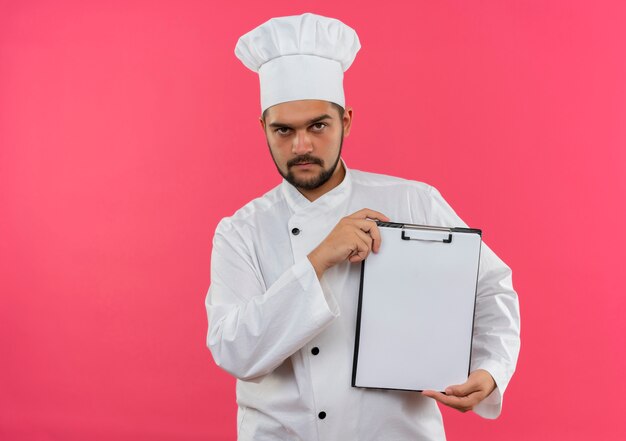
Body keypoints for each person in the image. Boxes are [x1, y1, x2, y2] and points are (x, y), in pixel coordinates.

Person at [205, 12, 520, 441]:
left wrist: (491, 368)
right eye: (284, 130)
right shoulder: (240, 232)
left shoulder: (412, 201)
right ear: (263, 128)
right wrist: (318, 260)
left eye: (318, 125)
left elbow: (491, 288)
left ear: (346, 121)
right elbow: (235, 351)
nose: (302, 146)